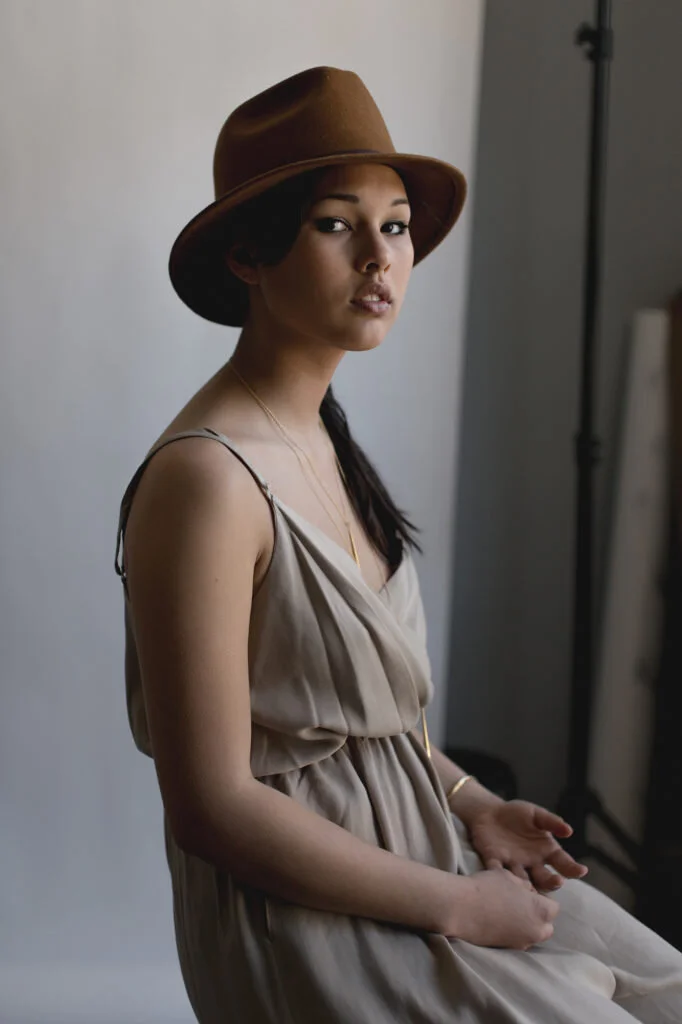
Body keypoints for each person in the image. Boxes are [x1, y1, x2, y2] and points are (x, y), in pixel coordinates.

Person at [114, 66, 682, 1022]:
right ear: (251, 254)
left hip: (419, 846)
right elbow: (211, 807)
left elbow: (360, 718)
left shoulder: (322, 435)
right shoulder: (205, 481)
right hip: (302, 913)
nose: (380, 258)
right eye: (337, 224)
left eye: (396, 223)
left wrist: (469, 802)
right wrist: (462, 903)